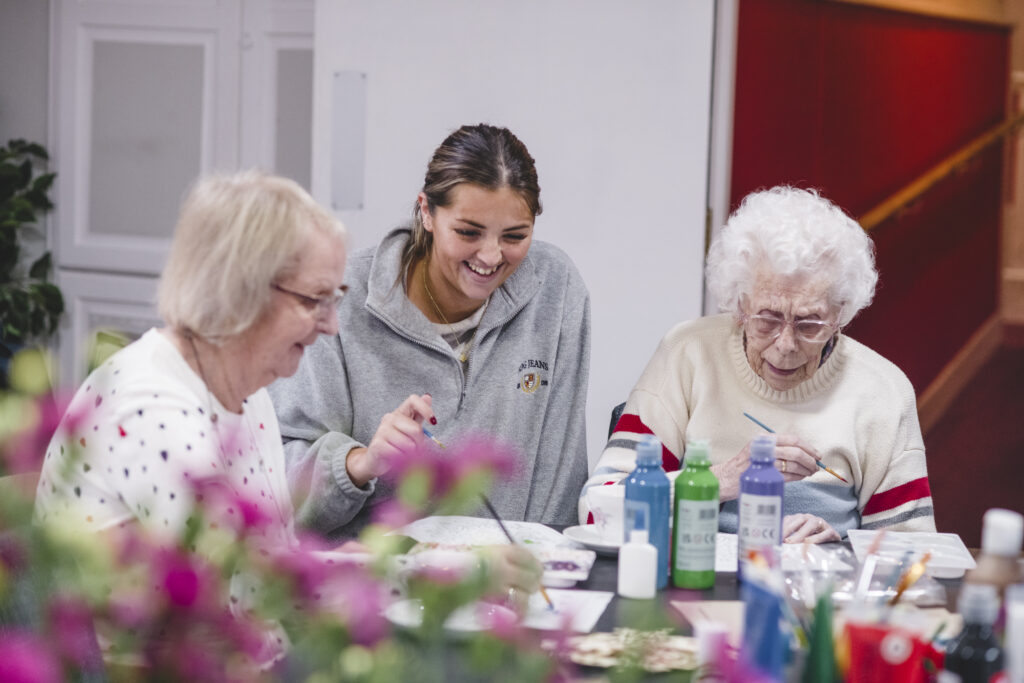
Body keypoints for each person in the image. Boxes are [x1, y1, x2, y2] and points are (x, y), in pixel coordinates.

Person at [34, 170, 541, 588]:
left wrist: (455, 572)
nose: (332, 324)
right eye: (312, 300)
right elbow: (230, 609)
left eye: (334, 298)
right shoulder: (152, 410)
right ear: (238, 290)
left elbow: (272, 569)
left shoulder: (243, 395)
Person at [269, 124, 591, 539]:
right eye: (468, 232)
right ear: (426, 211)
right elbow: (278, 485)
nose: (491, 256)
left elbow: (560, 476)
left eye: (515, 236)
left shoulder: (557, 288)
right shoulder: (340, 300)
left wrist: (544, 573)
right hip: (372, 587)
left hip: (514, 584)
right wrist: (361, 462)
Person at [583, 186, 935, 543]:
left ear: (840, 313)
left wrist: (842, 549)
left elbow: (914, 552)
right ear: (738, 304)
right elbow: (597, 511)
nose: (785, 345)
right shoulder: (687, 354)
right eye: (767, 318)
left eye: (809, 324)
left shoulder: (883, 391)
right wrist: (717, 481)